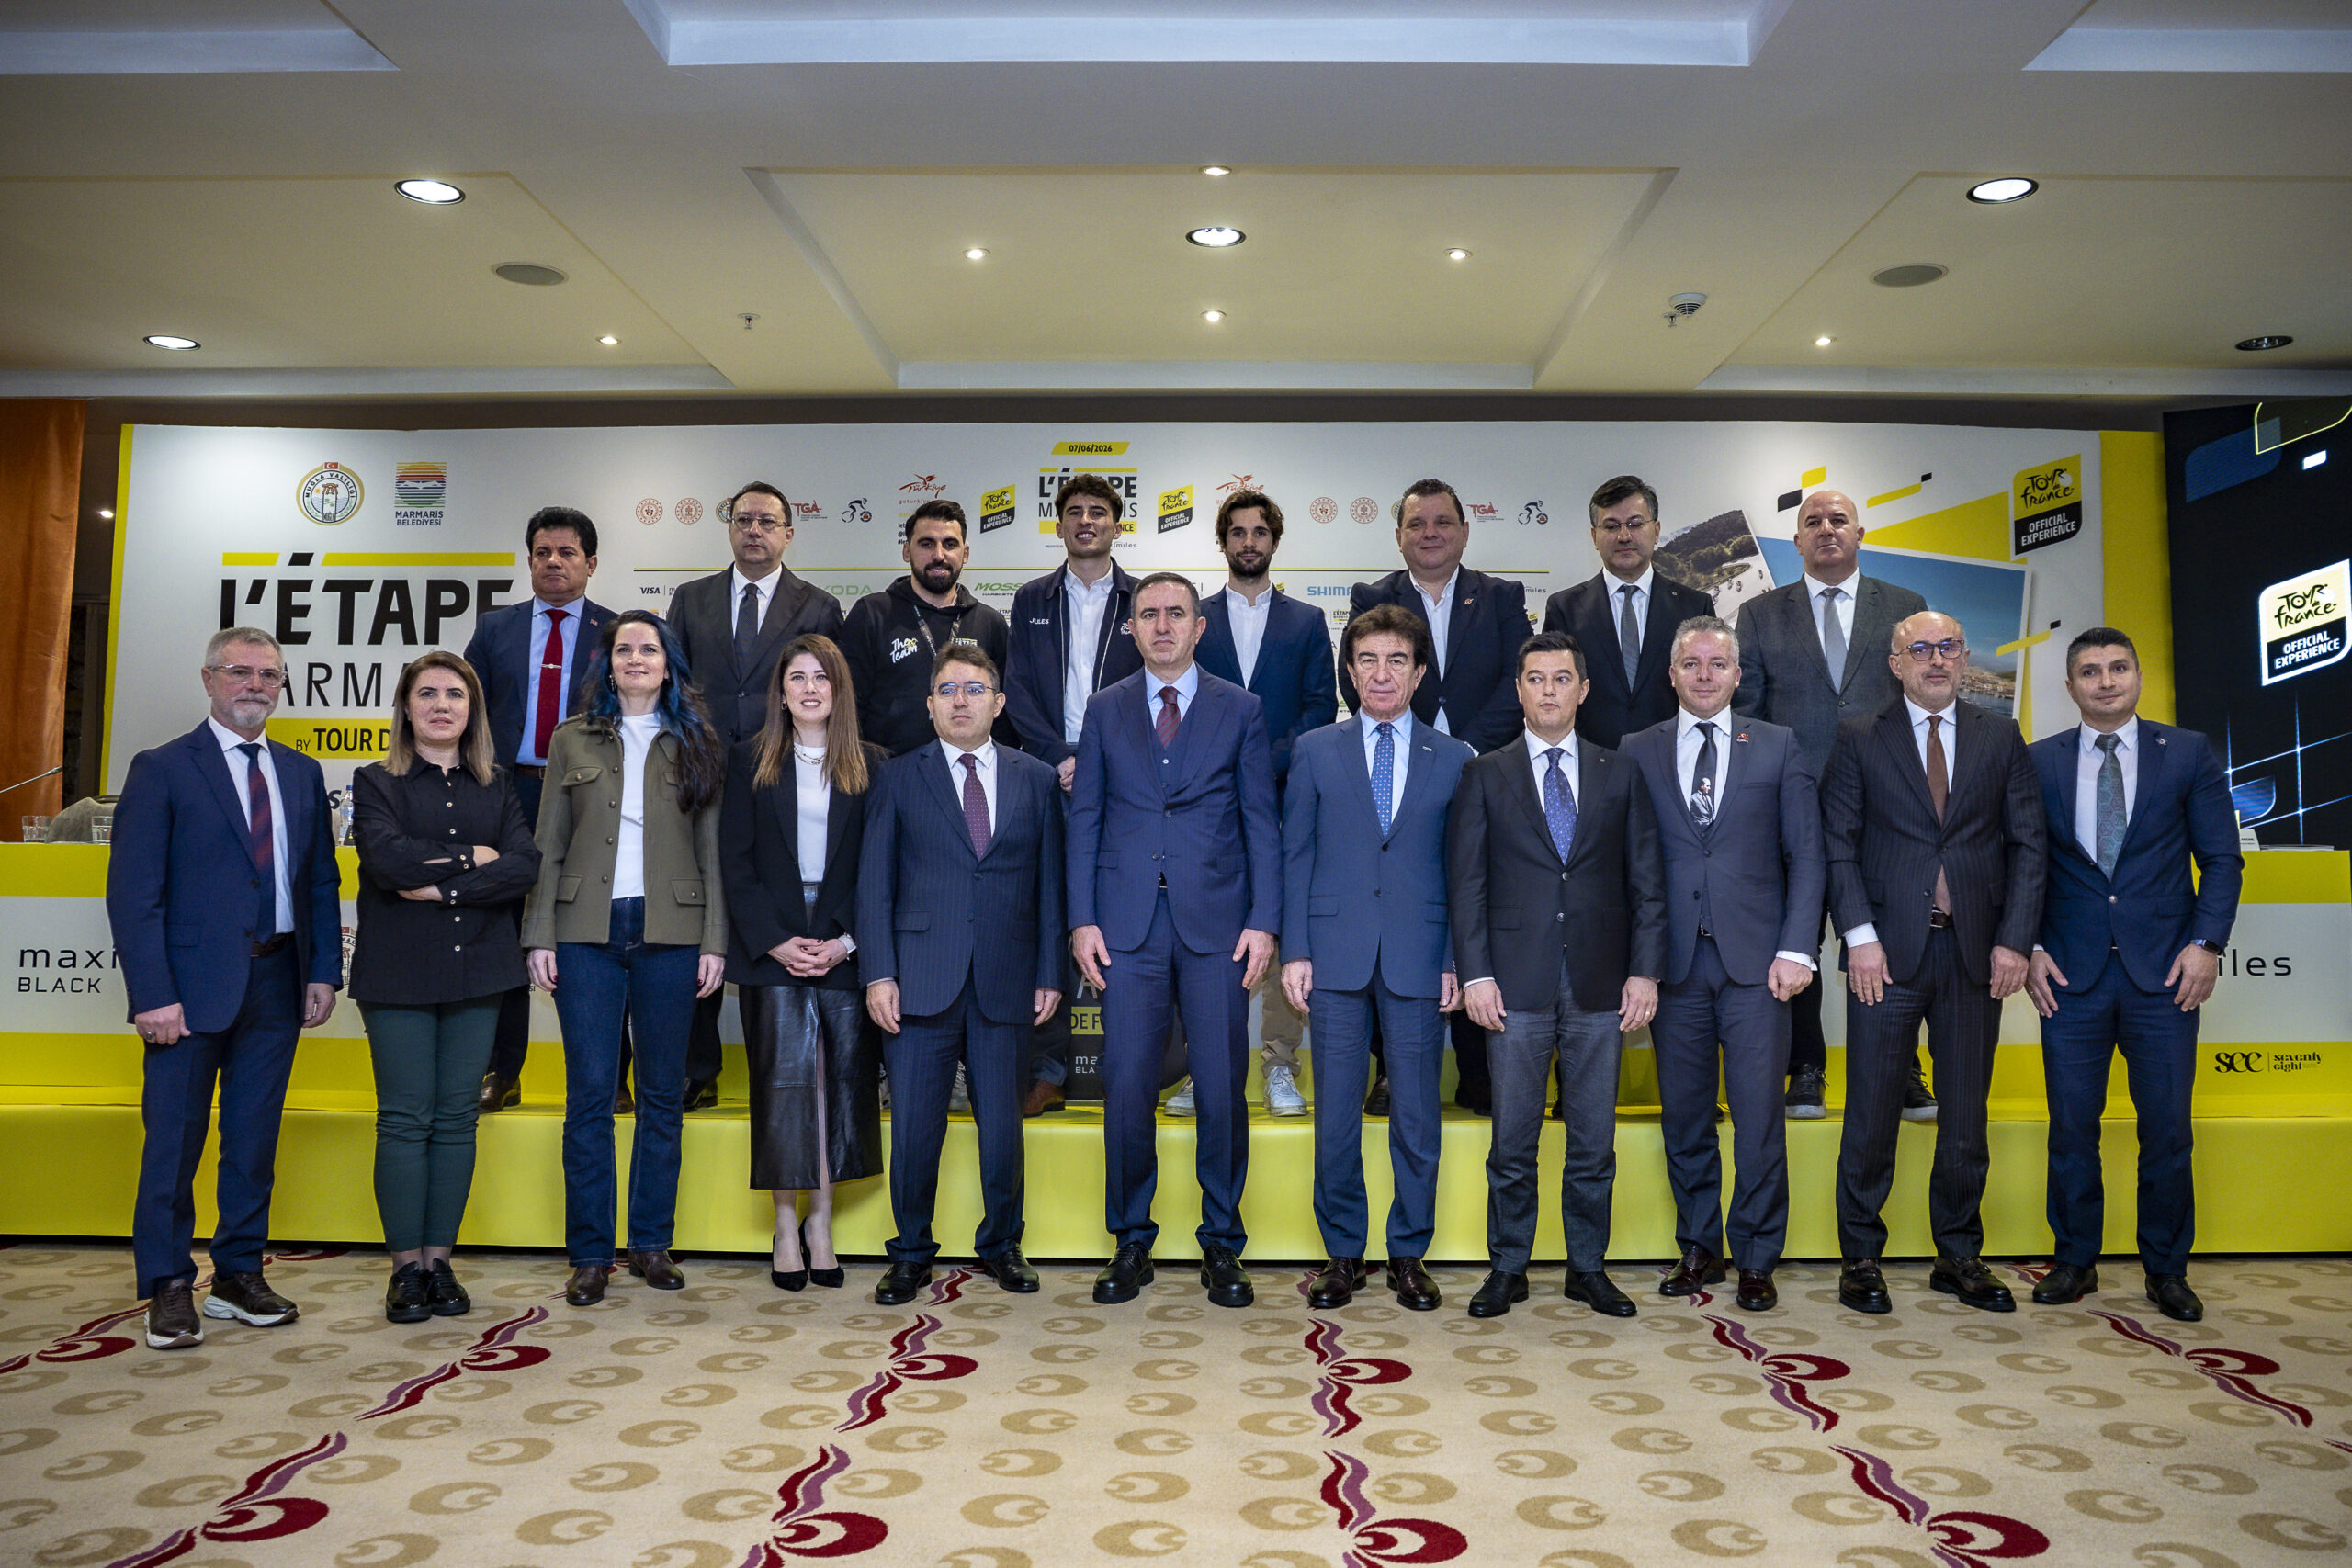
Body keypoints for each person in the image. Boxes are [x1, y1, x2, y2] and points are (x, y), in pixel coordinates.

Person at [107, 627, 343, 1350]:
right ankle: (168, 1285)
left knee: (252, 1140)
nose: (255, 685)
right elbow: (134, 893)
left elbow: (320, 881)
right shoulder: (162, 768)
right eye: (240, 671)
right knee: (173, 1144)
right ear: (209, 678)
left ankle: (239, 1274)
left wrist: (322, 970)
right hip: (186, 990)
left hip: (277, 980)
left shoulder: (301, 773)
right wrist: (152, 993)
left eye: (269, 675)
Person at [1821, 612, 2044, 1315]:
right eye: (1920, 648)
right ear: (1897, 663)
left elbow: (2028, 845)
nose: (1936, 659)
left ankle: (1959, 1254)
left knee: (1966, 1117)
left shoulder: (2000, 735)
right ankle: (1861, 1256)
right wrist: (1859, 935)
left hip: (1976, 953)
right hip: (1884, 956)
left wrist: (2015, 940)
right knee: (1871, 1113)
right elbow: (1837, 844)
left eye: (1949, 646)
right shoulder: (1859, 736)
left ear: (1965, 655)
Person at [1069, 572, 1279, 1309]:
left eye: (1176, 614)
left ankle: (1222, 1240)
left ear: (1199, 626)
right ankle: (1131, 1238)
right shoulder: (1105, 708)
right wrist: (1082, 918)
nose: (1162, 625)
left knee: (1221, 1086)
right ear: (1131, 628)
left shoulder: (1241, 708)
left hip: (1219, 925)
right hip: (1125, 927)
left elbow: (1260, 819)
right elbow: (1085, 818)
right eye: (1149, 614)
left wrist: (1264, 920)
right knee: (1127, 1085)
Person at [2025, 628, 2241, 1323]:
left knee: (2168, 1130)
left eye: (2118, 667)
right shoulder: (2038, 761)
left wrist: (2206, 944)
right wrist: (2028, 944)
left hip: (2166, 975)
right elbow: (2020, 862)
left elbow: (2222, 859)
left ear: (2139, 676)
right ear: (2070, 687)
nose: (2106, 681)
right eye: (2090, 671)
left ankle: (2167, 1270)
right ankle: (2074, 1261)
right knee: (2071, 1129)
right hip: (2070, 975)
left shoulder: (2187, 752)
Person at [1448, 631, 1665, 1320]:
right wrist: (1475, 975)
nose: (1548, 689)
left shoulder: (1620, 771)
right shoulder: (1485, 773)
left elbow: (1647, 884)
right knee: (1511, 1141)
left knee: (1593, 1142)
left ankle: (1587, 1267)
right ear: (1518, 690)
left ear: (1583, 689)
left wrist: (1645, 973)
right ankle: (1508, 1265)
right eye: (1536, 678)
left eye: (1561, 677)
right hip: (1513, 985)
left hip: (1602, 983)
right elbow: (1467, 886)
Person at [523, 611, 729, 1307]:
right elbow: (548, 843)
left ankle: (650, 1243)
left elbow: (711, 850)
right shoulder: (571, 738)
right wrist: (539, 934)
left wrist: (715, 940)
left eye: (649, 648)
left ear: (669, 665)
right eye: (623, 649)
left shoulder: (698, 740)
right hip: (584, 931)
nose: (635, 658)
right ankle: (590, 1254)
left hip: (674, 930)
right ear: (607, 664)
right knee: (589, 1096)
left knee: (663, 1094)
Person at [1619, 617, 1823, 1313]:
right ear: (1671, 675)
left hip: (1760, 968)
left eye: (1717, 663)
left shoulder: (1778, 744)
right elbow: (1626, 863)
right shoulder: (1637, 748)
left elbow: (1807, 855)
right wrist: (1635, 962)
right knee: (1685, 1117)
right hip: (1672, 966)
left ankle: (1758, 1256)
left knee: (1759, 1119)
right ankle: (1699, 1246)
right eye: (1691, 663)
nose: (1704, 675)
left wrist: (1797, 949)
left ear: (1738, 674)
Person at [859, 642, 1066, 1304]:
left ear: (998, 703)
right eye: (947, 690)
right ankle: (910, 1252)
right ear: (929, 705)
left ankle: (1003, 1243)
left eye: (974, 689)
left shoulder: (1036, 778)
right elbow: (874, 885)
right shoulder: (898, 777)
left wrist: (1050, 971)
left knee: (1002, 1128)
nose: (960, 701)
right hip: (919, 980)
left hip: (1007, 979)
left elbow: (1051, 887)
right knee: (916, 1129)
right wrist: (879, 973)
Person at [1280, 604, 1470, 1311]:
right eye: (1368, 660)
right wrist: (1296, 949)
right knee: (1334, 1115)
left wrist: (1454, 956)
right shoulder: (1314, 749)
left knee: (1417, 1113)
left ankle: (1409, 1253)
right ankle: (1343, 1253)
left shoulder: (1455, 756)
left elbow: (1463, 870)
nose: (1381, 673)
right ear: (1350, 672)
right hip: (1333, 952)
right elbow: (1295, 854)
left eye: (1396, 661)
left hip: (1421, 954)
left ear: (1419, 674)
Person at [348, 651, 540, 1322]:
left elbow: (524, 864)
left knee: (457, 1119)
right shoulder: (375, 781)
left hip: (480, 969)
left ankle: (440, 1263)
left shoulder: (499, 785)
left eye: (454, 694)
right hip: (397, 972)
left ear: (472, 709)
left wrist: (441, 886)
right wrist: (473, 858)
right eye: (426, 693)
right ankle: (406, 1270)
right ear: (406, 707)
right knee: (406, 1119)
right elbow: (386, 860)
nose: (441, 705)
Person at [1733, 489, 1930, 1121]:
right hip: (1790, 807)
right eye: (1812, 521)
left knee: (1888, 935)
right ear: (1796, 540)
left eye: (1838, 519)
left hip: (1884, 806)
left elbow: (1921, 704)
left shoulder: (1904, 607)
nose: (1826, 529)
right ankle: (1805, 1067)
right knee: (1796, 940)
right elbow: (1747, 715)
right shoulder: (1760, 614)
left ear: (1860, 534)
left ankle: (1902, 1068)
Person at [1342, 478, 1532, 1117]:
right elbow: (1359, 681)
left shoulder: (1502, 597)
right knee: (1394, 914)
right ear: (1398, 535)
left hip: (1485, 773)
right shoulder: (1373, 597)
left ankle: (1480, 1071)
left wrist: (1465, 751)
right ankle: (1390, 1070)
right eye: (1417, 523)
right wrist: (1422, 751)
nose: (1430, 533)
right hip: (1397, 779)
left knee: (1475, 911)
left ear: (1464, 531)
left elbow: (1517, 681)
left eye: (1442, 521)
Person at [666, 480, 845, 1110]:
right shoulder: (691, 600)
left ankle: (808, 1066)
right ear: (730, 528)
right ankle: (697, 1068)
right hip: (700, 779)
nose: (754, 530)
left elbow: (831, 692)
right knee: (701, 913)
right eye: (744, 519)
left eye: (768, 521)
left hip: (779, 782)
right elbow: (672, 688)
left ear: (788, 534)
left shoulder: (818, 605)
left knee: (765, 900)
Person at [718, 635, 886, 1292]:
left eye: (822, 677)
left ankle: (822, 1224)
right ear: (781, 691)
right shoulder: (748, 759)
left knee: (837, 1087)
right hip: (773, 950)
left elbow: (880, 864)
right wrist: (774, 941)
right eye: (798, 677)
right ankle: (785, 1225)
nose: (810, 688)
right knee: (781, 1087)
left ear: (839, 689)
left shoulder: (873, 764)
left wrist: (848, 940)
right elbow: (735, 861)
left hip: (844, 947)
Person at [1177, 487, 1336, 1119]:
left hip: (1284, 797)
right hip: (1208, 805)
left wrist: (1263, 761)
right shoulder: (1195, 617)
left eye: (1259, 532)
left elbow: (1320, 708)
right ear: (1223, 542)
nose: (1249, 542)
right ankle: (1204, 1068)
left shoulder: (1307, 621)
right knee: (1208, 933)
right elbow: (1182, 700)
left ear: (1274, 540)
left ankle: (1279, 1065)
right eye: (1238, 532)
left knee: (1280, 926)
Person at [463, 506, 617, 1114]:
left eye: (567, 552)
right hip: (509, 795)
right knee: (503, 934)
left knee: (596, 932)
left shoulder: (616, 633)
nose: (554, 562)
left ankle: (610, 1077)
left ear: (591, 563)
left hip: (588, 798)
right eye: (542, 553)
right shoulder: (494, 628)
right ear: (528, 560)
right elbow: (468, 714)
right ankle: (501, 1071)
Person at [1002, 473, 1144, 1115]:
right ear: (1058, 525)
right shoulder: (1031, 598)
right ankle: (1048, 1070)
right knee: (1049, 921)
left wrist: (1100, 762)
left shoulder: (1142, 599)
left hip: (1125, 788)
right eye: (1075, 512)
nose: (1086, 520)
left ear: (1117, 524)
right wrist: (1060, 759)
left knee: (1124, 924)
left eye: (1098, 511)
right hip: (1050, 781)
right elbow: (1017, 692)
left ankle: (1129, 1067)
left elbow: (1155, 687)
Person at [1540, 476, 1716, 750]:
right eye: (1611, 526)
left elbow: (1709, 689)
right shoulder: (1565, 608)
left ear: (1656, 531)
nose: (1624, 536)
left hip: (1675, 757)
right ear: (1594, 536)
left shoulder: (1694, 606)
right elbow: (1554, 691)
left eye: (1635, 524)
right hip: (1592, 759)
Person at [839, 499, 1012, 758]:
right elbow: (848, 705)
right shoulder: (871, 614)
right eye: (927, 544)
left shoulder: (990, 623)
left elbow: (1005, 719)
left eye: (950, 544)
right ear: (907, 551)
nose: (939, 555)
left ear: (965, 553)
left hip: (968, 773)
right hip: (886, 772)